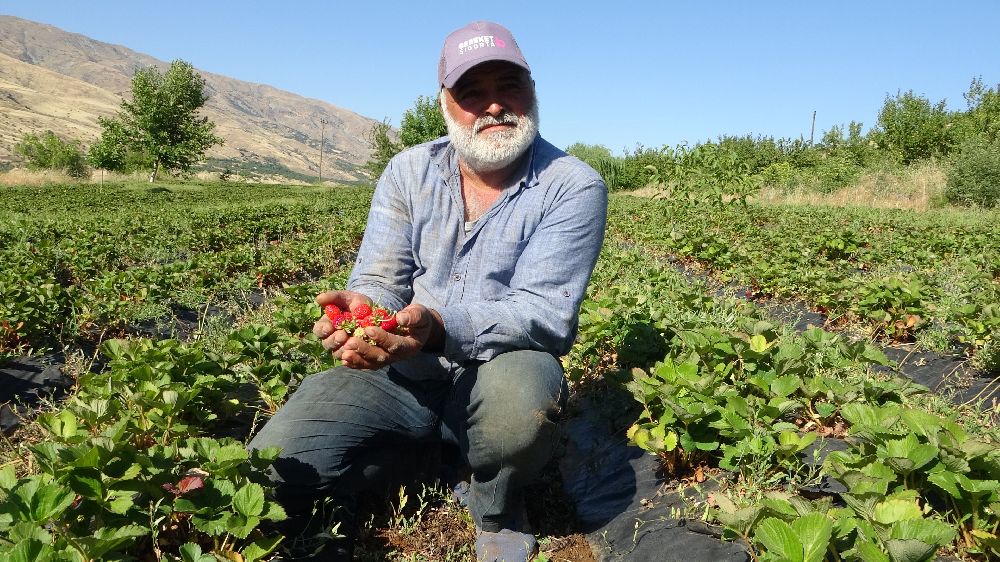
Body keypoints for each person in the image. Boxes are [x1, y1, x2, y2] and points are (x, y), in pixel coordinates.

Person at [249, 20, 608, 562]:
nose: (494, 106)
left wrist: (438, 328)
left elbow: (544, 314)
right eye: (473, 92)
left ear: (531, 91)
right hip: (405, 375)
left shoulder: (573, 185)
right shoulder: (408, 171)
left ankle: (496, 503)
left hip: (499, 369)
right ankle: (436, 454)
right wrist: (364, 312)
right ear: (446, 102)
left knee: (518, 408)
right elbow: (379, 277)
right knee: (279, 463)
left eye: (508, 86)